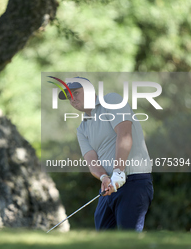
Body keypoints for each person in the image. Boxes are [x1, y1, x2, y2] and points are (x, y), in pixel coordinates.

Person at [59, 78, 154, 231]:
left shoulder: (112, 101)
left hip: (134, 180)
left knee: (128, 240)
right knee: (104, 238)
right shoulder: (82, 128)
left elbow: (124, 134)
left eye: (75, 93)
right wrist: (104, 177)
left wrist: (118, 171)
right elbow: (92, 162)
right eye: (69, 97)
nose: (72, 99)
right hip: (110, 185)